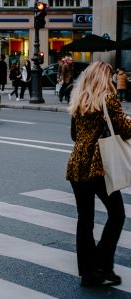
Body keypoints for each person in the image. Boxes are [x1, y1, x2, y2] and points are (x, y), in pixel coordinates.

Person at [66, 61, 128, 287]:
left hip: (76, 165)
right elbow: (125, 129)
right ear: (105, 78)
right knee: (117, 214)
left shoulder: (79, 101)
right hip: (98, 166)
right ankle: (101, 263)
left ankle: (88, 272)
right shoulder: (108, 100)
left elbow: (74, 135)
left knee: (85, 220)